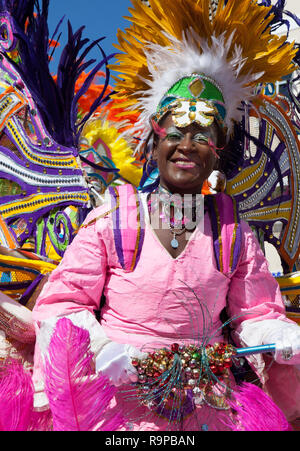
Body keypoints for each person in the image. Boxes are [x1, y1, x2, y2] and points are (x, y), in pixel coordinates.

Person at [32, 0, 300, 430]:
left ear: (219, 148)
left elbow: (256, 314)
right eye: (174, 133)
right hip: (116, 409)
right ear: (154, 145)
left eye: (201, 135)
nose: (186, 145)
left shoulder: (233, 233)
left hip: (208, 408)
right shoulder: (114, 220)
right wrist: (102, 350)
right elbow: (64, 303)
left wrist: (279, 335)